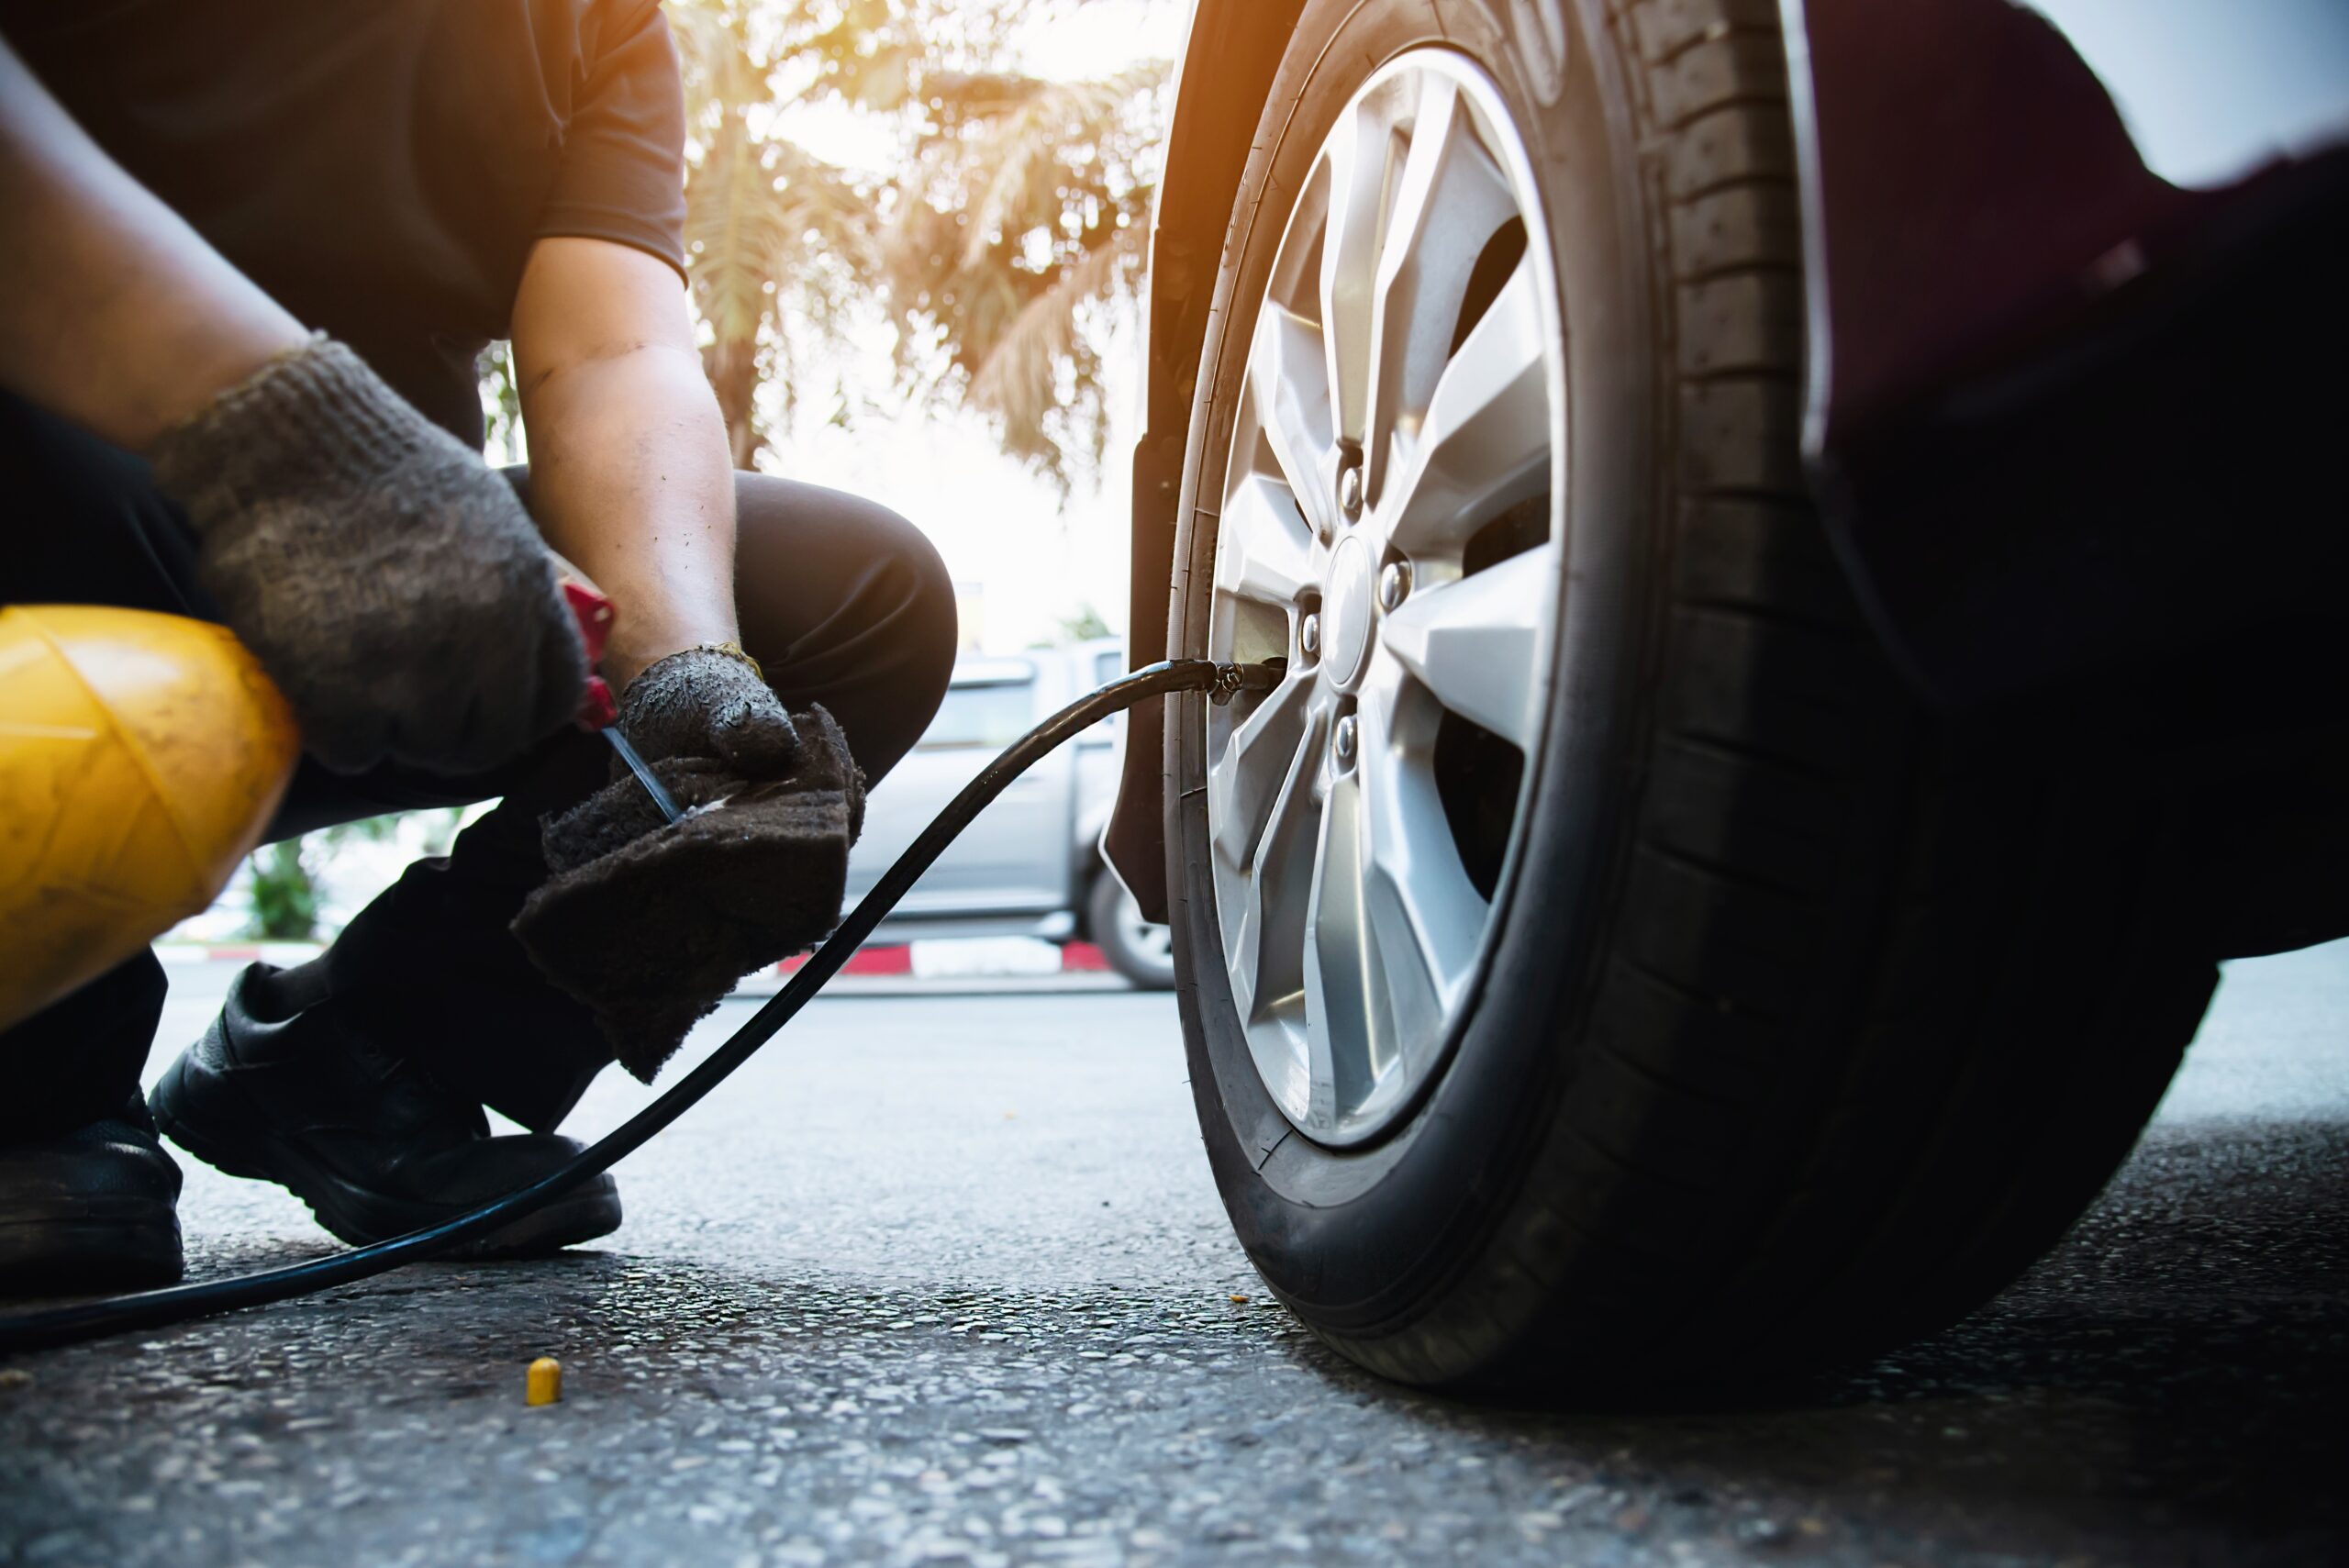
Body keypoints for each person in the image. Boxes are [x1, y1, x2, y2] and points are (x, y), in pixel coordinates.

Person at [0, 2, 957, 1292]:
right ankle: (40, 1081)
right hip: (63, 527)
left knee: (859, 602)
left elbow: (613, 348)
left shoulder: (589, 24)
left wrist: (685, 672)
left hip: (386, 585)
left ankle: (374, 1054)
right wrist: (286, 441)